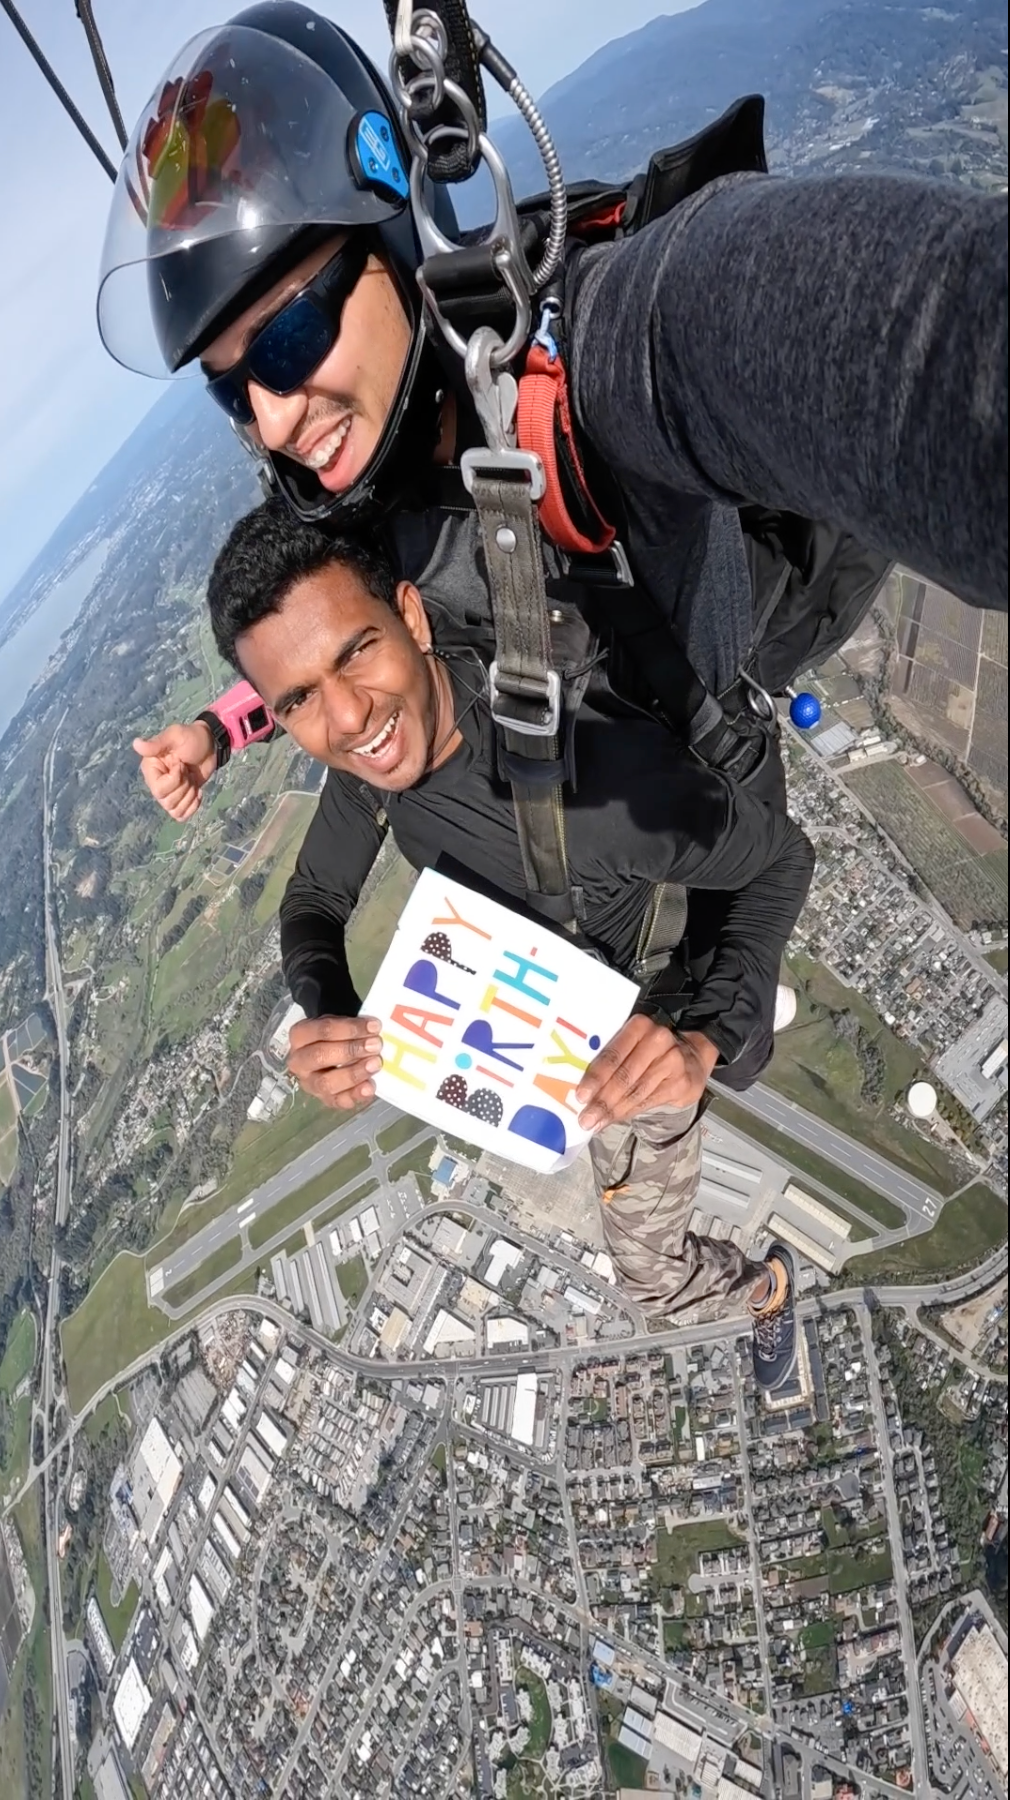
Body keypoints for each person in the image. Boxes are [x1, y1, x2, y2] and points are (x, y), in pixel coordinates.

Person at [163, 495, 816, 1387]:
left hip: (634, 1013)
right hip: (534, 1002)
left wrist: (707, 1034)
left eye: (356, 654)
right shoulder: (377, 768)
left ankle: (764, 1289)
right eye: (300, 701)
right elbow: (313, 898)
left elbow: (780, 861)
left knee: (653, 1285)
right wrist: (328, 1009)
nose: (349, 720)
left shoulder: (598, 788)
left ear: (412, 615)